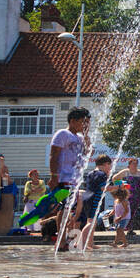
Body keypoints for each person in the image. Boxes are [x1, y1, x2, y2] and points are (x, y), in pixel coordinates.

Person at [49, 107, 90, 251]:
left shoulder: (79, 137)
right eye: (83, 123)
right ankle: (60, 239)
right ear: (73, 121)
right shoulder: (63, 134)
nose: (85, 126)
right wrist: (54, 176)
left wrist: (86, 136)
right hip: (63, 177)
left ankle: (64, 238)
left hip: (74, 179)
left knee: (70, 210)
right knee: (64, 207)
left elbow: (87, 152)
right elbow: (53, 155)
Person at [78, 154, 113, 250]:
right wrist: (118, 187)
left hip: (87, 199)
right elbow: (103, 188)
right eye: (109, 166)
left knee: (90, 221)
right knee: (91, 223)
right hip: (94, 200)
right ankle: (81, 243)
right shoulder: (101, 174)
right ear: (106, 164)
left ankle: (90, 243)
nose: (110, 168)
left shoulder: (91, 173)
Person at [109, 156, 140, 235]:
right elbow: (114, 178)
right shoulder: (126, 171)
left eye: (136, 163)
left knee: (133, 212)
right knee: (125, 211)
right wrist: (122, 184)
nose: (135, 165)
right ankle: (121, 227)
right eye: (133, 163)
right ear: (129, 164)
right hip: (126, 195)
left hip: (137, 195)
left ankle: (130, 229)